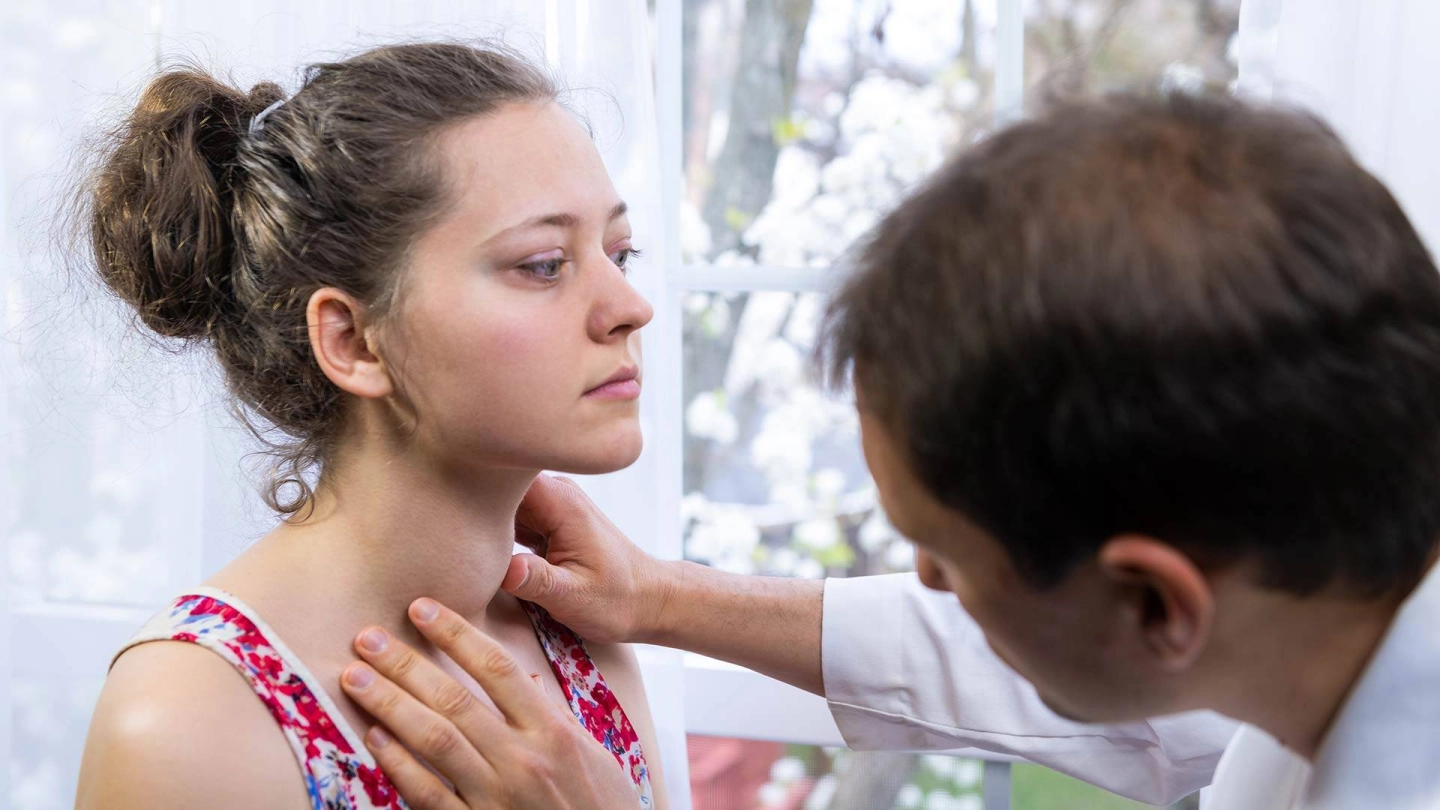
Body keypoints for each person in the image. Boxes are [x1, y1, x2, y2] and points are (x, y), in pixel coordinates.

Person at [341, 92, 1440, 810]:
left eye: (947, 557)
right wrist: (662, 601)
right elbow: (1118, 689)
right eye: (543, 262)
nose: (928, 587)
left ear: (1157, 605)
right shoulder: (1319, 604)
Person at [72, 42, 667, 810]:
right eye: (545, 264)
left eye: (622, 252)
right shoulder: (190, 721)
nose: (631, 306)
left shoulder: (581, 648)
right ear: (353, 341)